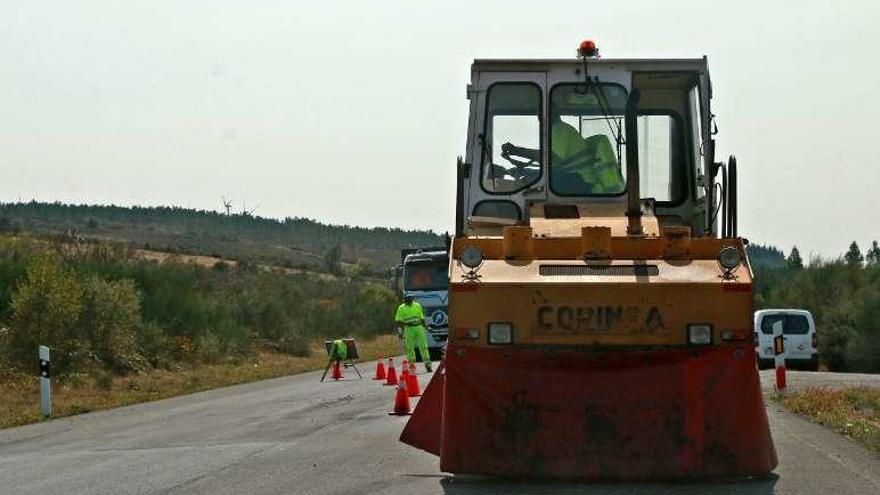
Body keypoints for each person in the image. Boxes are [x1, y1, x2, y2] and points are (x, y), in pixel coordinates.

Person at [550, 117, 624, 195]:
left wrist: (536, 155)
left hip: (583, 185)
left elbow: (553, 159)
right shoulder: (564, 130)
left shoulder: (559, 130)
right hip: (585, 186)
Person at [394, 295, 432, 372]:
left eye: (411, 298)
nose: (410, 299)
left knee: (423, 347)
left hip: (419, 328)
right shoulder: (401, 308)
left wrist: (426, 327)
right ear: (405, 299)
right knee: (410, 348)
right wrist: (400, 332)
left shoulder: (417, 305)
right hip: (408, 329)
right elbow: (398, 321)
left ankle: (428, 365)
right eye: (407, 298)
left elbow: (421, 318)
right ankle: (412, 366)